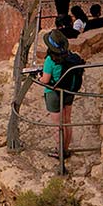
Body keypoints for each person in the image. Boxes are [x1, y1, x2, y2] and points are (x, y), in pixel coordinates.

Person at [37, 30, 84, 158]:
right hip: (69, 90)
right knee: (67, 121)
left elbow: (45, 80)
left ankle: (60, 151)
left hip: (54, 93)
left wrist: (38, 77)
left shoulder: (50, 60)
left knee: (57, 124)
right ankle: (66, 149)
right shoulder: (69, 56)